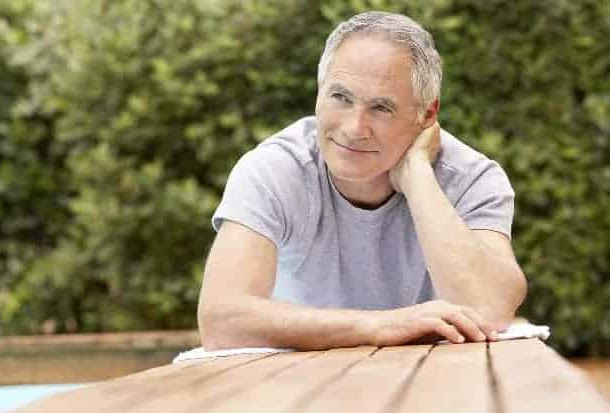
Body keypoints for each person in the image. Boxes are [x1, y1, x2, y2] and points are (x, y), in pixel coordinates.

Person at [197, 11, 527, 350]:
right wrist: (379, 326)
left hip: (435, 383)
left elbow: (490, 309)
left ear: (426, 114)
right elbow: (221, 321)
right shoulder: (274, 170)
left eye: (381, 108)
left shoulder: (472, 179)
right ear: (319, 92)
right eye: (340, 97)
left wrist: (418, 178)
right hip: (297, 384)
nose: (355, 129)